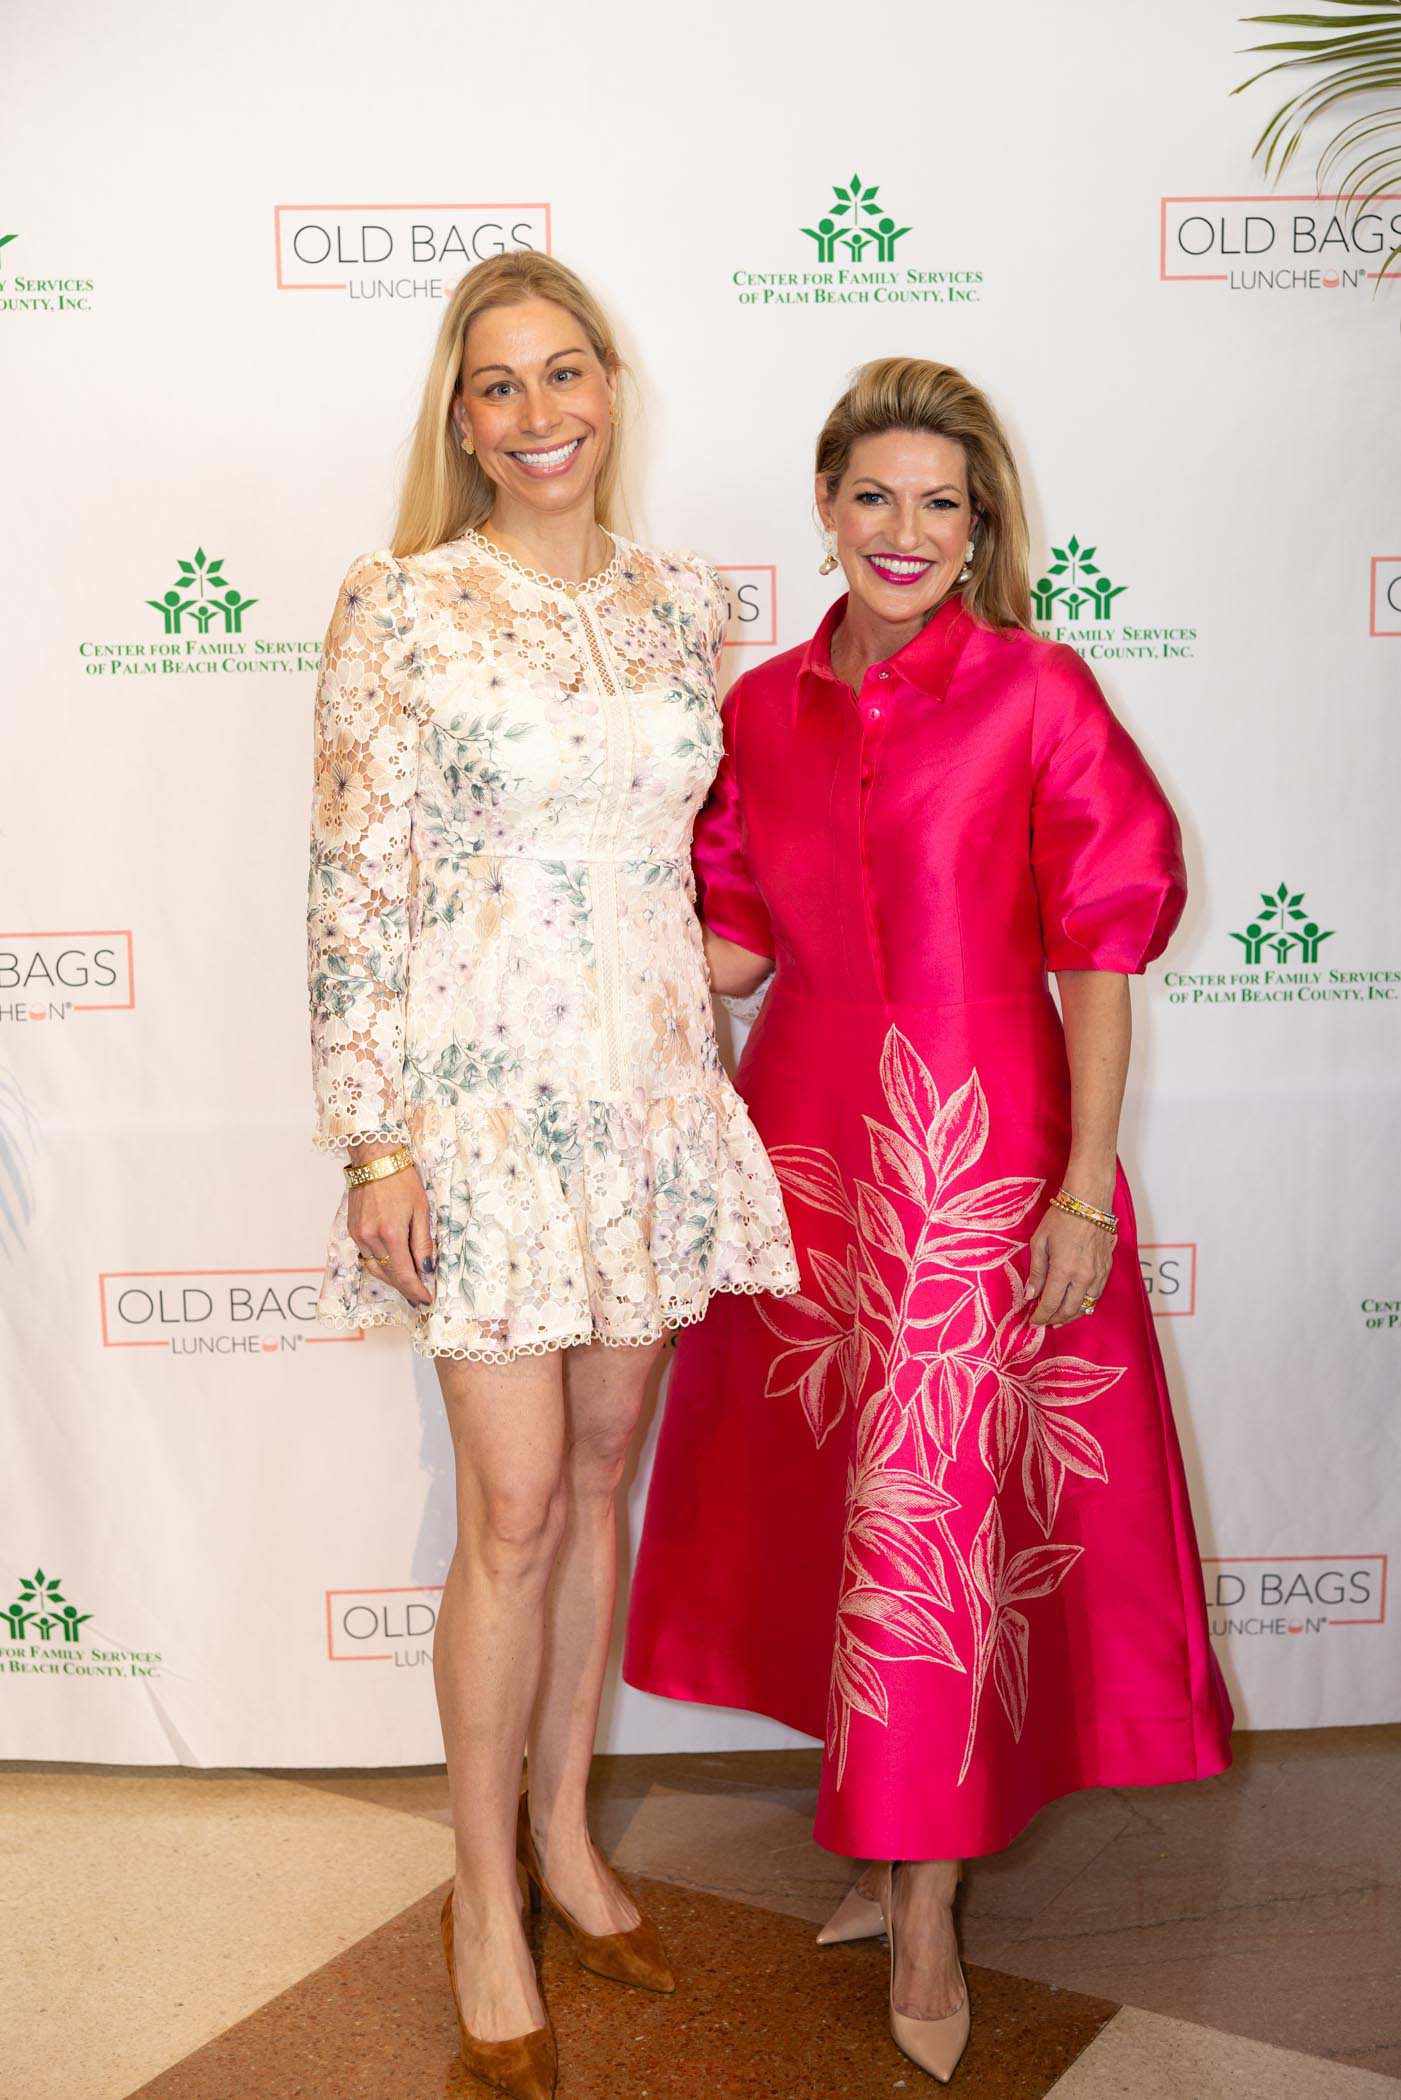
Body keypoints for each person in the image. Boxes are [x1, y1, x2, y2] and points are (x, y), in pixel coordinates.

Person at [624, 358, 1233, 2085]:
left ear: (981, 529)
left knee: (945, 1524)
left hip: (983, 1154)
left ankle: (923, 1913)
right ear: (824, 506)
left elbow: (1097, 956)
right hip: (808, 1152)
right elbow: (728, 947)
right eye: (874, 496)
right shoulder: (759, 707)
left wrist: (1081, 1188)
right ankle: (889, 1840)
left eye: (940, 504)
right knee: (846, 1503)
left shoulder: (1038, 691)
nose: (904, 531)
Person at [307, 251, 797, 2100]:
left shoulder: (682, 608)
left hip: (651, 1098)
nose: (539, 415)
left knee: (597, 1479)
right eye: (499, 384)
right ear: (460, 416)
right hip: (482, 1108)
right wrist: (376, 1137)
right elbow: (351, 889)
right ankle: (480, 1900)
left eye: (565, 372)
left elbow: (708, 857)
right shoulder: (400, 605)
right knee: (509, 1509)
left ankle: (570, 1838)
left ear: (611, 387)